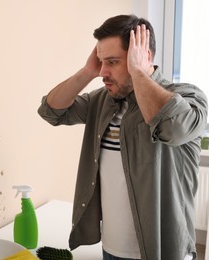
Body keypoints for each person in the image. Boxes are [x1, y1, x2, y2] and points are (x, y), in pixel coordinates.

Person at [38, 15, 207, 260]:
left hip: (164, 250)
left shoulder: (189, 97)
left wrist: (138, 73)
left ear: (144, 56)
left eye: (113, 62)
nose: (103, 72)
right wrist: (88, 71)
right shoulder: (102, 101)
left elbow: (173, 128)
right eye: (101, 61)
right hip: (111, 250)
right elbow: (51, 112)